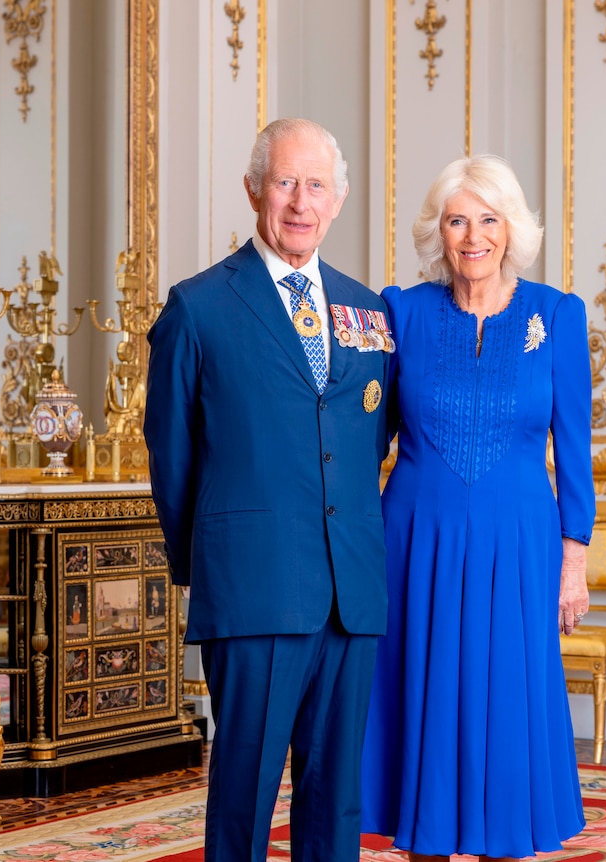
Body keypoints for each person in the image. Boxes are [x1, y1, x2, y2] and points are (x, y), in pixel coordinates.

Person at [144, 117, 392, 862]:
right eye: (285, 182)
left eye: (316, 185)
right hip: (251, 586)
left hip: (350, 590)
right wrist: (205, 566)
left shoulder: (368, 312)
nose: (299, 201)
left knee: (335, 798)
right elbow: (173, 454)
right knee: (245, 791)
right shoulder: (199, 308)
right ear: (255, 189)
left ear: (339, 198)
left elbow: (366, 443)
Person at [361, 154, 595, 859]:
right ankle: (423, 845)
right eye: (457, 220)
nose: (472, 237)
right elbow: (365, 434)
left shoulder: (557, 315)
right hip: (413, 541)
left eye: (488, 219)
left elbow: (576, 451)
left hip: (518, 544)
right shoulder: (397, 309)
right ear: (438, 230)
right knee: (420, 699)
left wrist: (574, 562)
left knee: (505, 712)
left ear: (511, 228)